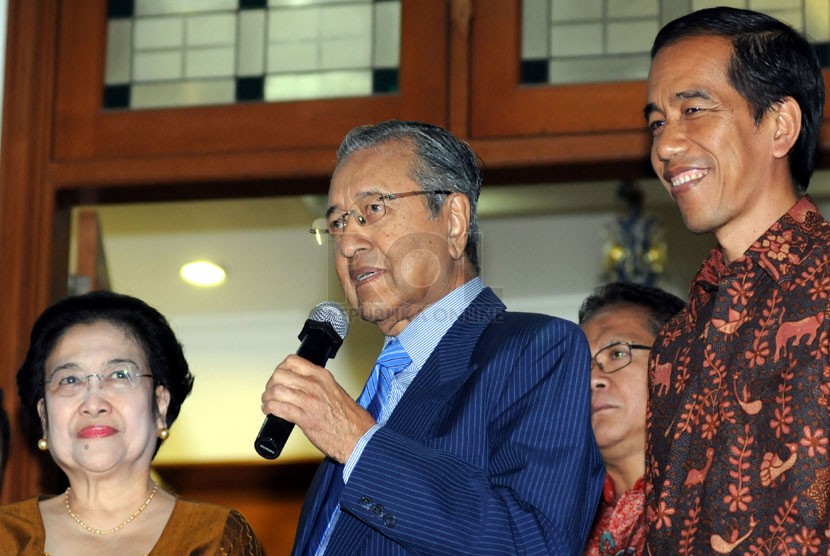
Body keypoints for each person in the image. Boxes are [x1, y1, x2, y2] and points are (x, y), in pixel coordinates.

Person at [261, 119, 603, 555]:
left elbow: (533, 543)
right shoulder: (377, 391)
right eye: (337, 224)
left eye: (373, 210)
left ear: (454, 221)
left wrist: (358, 443)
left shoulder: (536, 350)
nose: (347, 243)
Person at [644, 7, 829, 554]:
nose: (665, 146)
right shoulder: (675, 341)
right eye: (657, 122)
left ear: (780, 126)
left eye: (693, 110)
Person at [0, 290, 263, 555]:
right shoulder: (7, 536)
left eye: (119, 375)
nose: (93, 403)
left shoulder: (216, 538)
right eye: (70, 380)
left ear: (160, 403)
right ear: (44, 416)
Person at [577, 282, 685, 556]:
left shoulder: (725, 496)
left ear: (678, 364)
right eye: (578, 366)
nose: (592, 379)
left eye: (617, 354)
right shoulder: (556, 517)